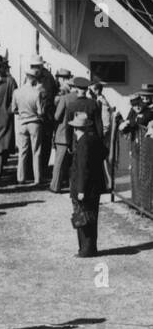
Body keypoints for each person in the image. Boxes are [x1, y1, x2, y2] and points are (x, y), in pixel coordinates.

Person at [70, 109, 105, 258]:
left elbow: (83, 168)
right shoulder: (93, 138)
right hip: (94, 186)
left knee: (82, 218)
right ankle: (91, 247)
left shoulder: (83, 142)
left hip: (84, 187)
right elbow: (104, 153)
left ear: (76, 128)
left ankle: (85, 250)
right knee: (91, 217)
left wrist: (81, 190)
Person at [13, 69, 45, 186]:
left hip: (22, 123)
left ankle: (20, 177)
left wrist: (22, 113)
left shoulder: (16, 92)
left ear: (26, 77)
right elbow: (40, 112)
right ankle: (37, 178)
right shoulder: (37, 93)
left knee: (22, 151)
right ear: (35, 80)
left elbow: (13, 109)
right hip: (34, 123)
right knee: (36, 151)